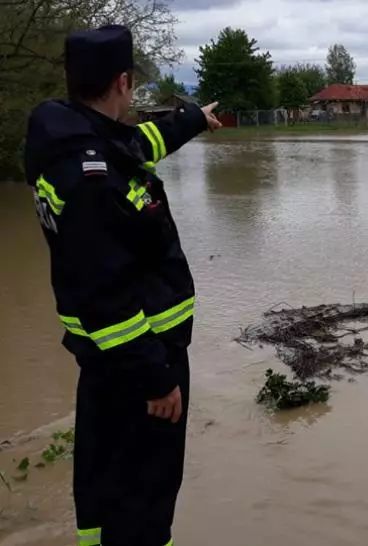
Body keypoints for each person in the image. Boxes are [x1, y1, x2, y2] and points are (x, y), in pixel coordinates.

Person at [23, 25, 221, 546]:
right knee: (145, 498)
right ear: (124, 82)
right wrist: (155, 380)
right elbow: (104, 296)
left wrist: (193, 120)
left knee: (105, 484)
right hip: (139, 362)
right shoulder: (92, 177)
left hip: (110, 363)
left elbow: (143, 143)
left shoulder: (80, 141)